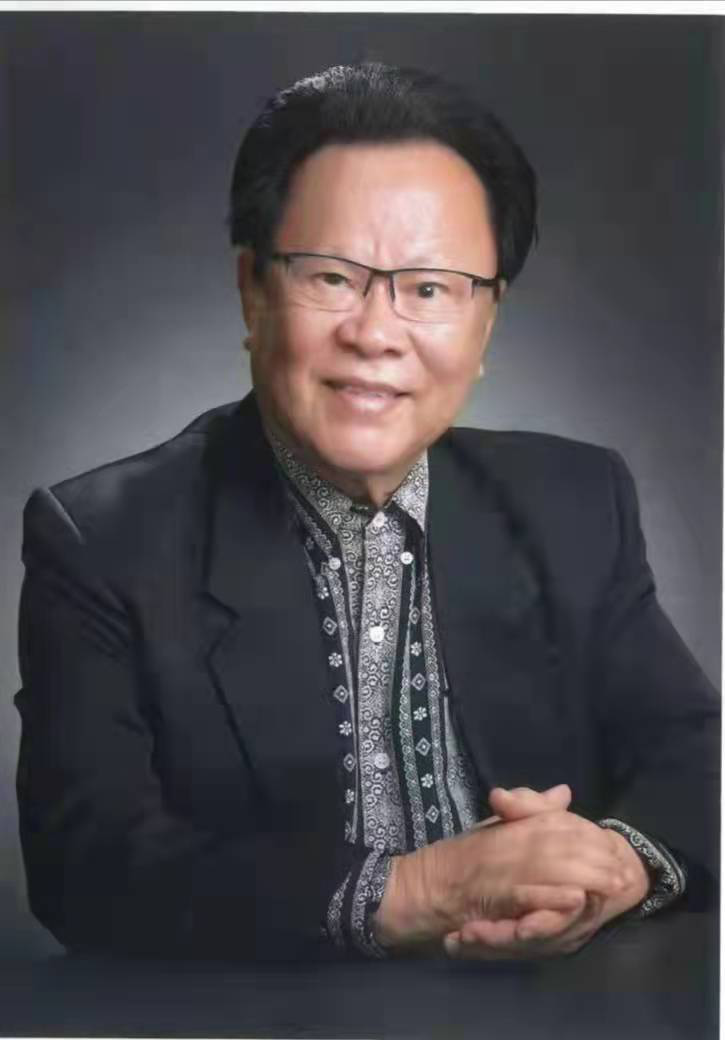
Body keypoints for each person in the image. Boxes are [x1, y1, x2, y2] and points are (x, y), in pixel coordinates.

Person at [15, 63, 718, 962]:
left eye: (429, 289)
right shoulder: (105, 541)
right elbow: (88, 867)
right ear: (252, 289)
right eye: (331, 277)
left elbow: (697, 755)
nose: (376, 333)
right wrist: (422, 889)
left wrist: (615, 866)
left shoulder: (573, 500)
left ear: (485, 322)